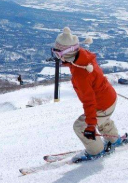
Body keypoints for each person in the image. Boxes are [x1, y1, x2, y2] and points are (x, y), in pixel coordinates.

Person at [52, 27, 122, 162]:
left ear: (66, 53)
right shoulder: (83, 56)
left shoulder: (81, 74)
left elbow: (89, 102)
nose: (57, 56)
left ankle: (97, 152)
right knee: (103, 119)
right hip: (109, 98)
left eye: (58, 53)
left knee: (80, 126)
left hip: (101, 104)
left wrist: (90, 126)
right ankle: (114, 140)